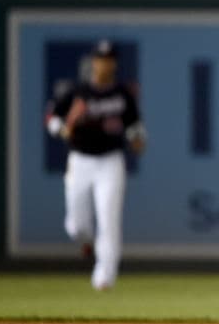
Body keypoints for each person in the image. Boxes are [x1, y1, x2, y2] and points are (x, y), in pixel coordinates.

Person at [44, 40, 146, 290]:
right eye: (101, 59)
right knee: (77, 226)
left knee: (109, 219)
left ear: (114, 64)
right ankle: (87, 242)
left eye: (109, 60)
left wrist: (137, 139)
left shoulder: (122, 94)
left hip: (111, 161)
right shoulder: (77, 91)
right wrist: (62, 129)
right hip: (80, 160)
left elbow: (134, 126)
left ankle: (104, 275)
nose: (105, 64)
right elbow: (51, 117)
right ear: (93, 62)